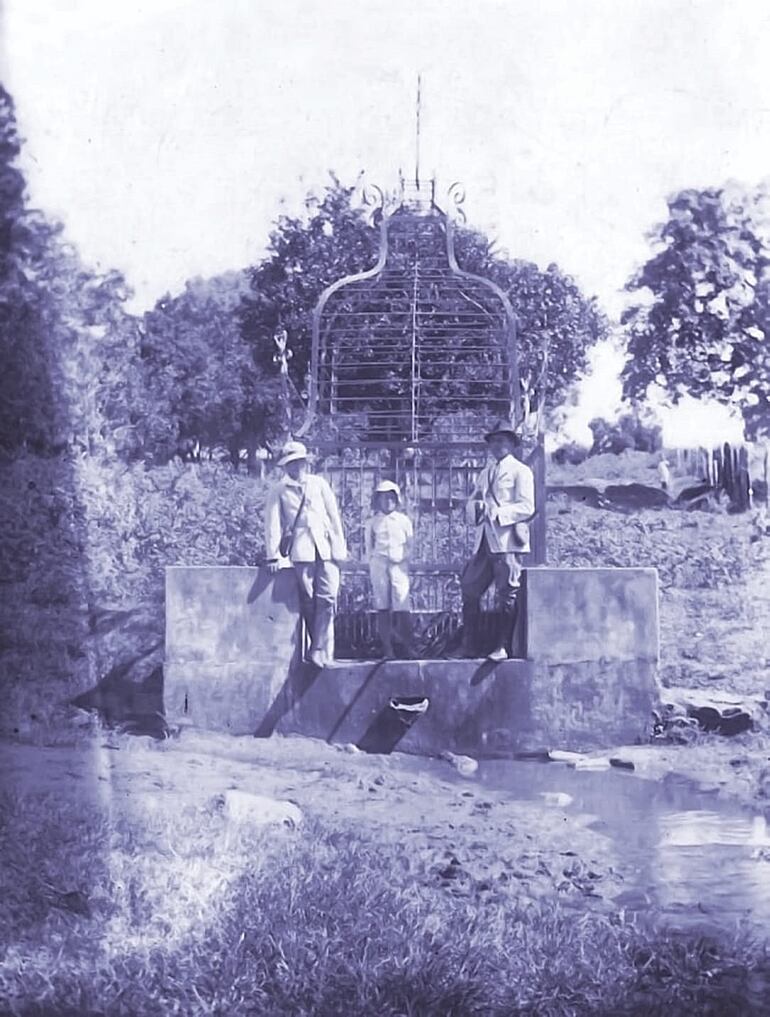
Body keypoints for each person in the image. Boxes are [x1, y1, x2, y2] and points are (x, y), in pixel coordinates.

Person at [264, 440, 347, 668]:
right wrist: (273, 555)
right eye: (291, 463)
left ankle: (317, 647)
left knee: (328, 597)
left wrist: (339, 547)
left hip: (325, 547)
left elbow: (333, 516)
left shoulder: (318, 484)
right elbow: (273, 524)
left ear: (305, 462)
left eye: (299, 462)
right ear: (285, 467)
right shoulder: (279, 490)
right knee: (309, 601)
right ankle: (317, 651)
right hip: (301, 551)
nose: (296, 467)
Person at [459, 420, 535, 661]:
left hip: (506, 541)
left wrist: (499, 514)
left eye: (502, 440)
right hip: (484, 540)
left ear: (512, 444)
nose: (497, 445)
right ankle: (469, 645)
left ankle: (502, 647)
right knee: (470, 589)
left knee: (507, 594)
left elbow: (527, 506)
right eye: (493, 440)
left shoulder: (521, 471)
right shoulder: (485, 472)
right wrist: (475, 509)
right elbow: (472, 501)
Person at [364, 480, 414, 658]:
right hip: (379, 564)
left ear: (397, 499)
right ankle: (388, 649)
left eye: (391, 498)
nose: (388, 502)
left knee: (402, 603)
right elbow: (368, 547)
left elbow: (410, 544)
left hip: (399, 565)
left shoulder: (403, 521)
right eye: (384, 498)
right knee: (382, 605)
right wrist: (375, 561)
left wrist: (402, 557)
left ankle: (407, 647)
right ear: (377, 500)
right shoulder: (372, 522)